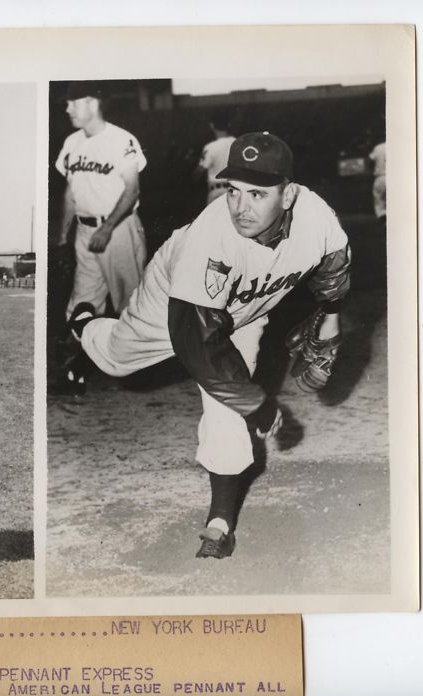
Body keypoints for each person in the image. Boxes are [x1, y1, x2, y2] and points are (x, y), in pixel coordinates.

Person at [66, 132, 350, 558]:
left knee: (227, 405)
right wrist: (259, 403)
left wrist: (329, 322)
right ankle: (84, 322)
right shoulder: (210, 237)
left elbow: (334, 268)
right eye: (233, 191)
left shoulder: (318, 220)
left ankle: (219, 522)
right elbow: (197, 342)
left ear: (289, 194)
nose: (240, 206)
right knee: (116, 358)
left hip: (245, 314)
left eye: (258, 193)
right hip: (174, 305)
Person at [52, 81, 147, 395]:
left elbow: (132, 189)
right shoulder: (71, 143)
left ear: (92, 103)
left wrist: (106, 230)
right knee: (81, 306)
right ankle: (77, 372)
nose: (67, 108)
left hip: (118, 229)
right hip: (84, 230)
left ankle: (140, 368)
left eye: (73, 102)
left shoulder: (121, 140)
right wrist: (62, 236)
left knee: (131, 304)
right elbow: (70, 194)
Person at [194, 113, 236, 204]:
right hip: (233, 190)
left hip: (216, 191)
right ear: (229, 124)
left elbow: (199, 171)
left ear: (212, 126)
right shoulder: (237, 143)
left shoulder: (209, 147)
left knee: (214, 218)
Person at [369, 139, 386, 222]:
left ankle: (384, 221)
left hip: (380, 176)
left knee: (379, 202)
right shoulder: (398, 146)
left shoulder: (378, 147)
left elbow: (371, 160)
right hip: (395, 177)